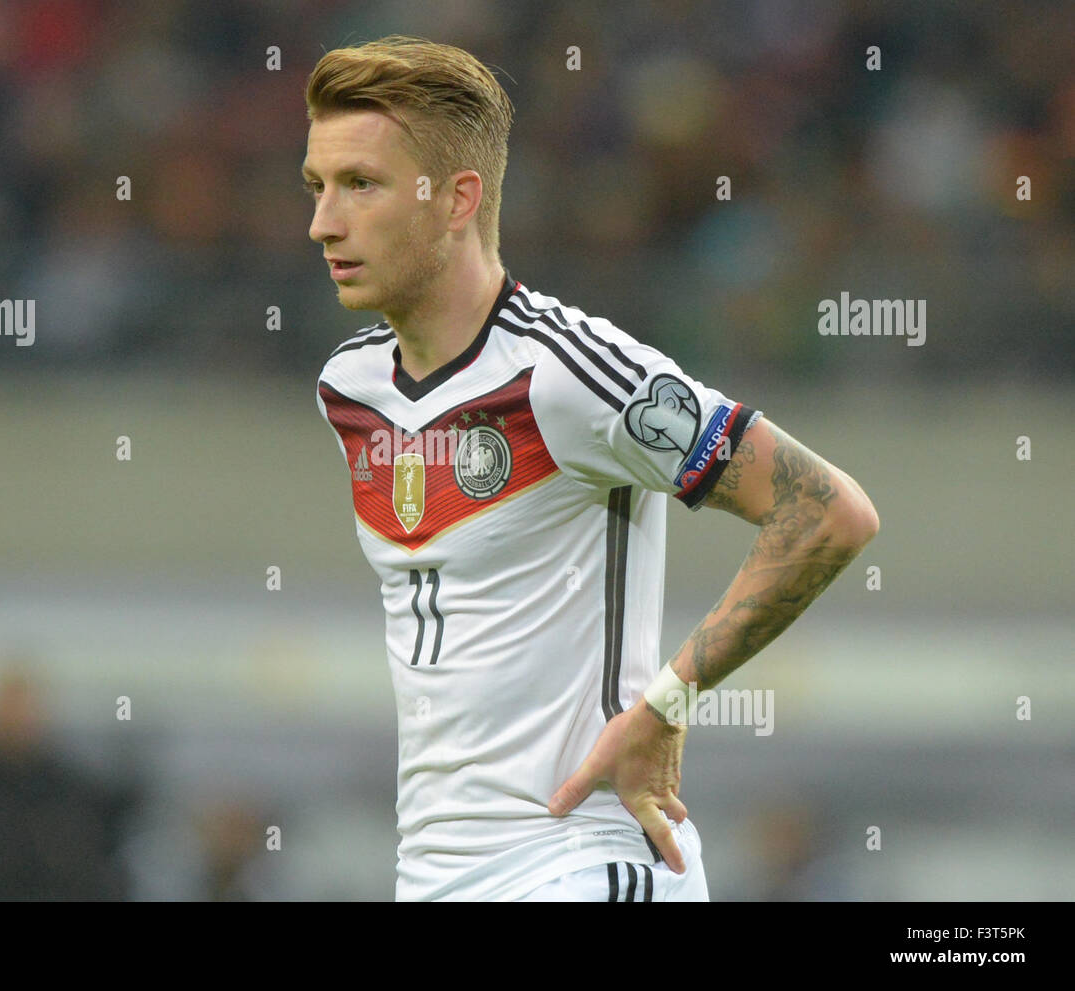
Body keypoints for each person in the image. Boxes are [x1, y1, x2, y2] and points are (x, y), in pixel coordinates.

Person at [304, 36, 878, 901]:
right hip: (434, 877)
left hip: (579, 862)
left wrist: (668, 706)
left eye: (361, 185)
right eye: (317, 187)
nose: (323, 222)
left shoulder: (571, 372)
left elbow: (828, 510)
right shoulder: (347, 387)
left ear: (458, 199)